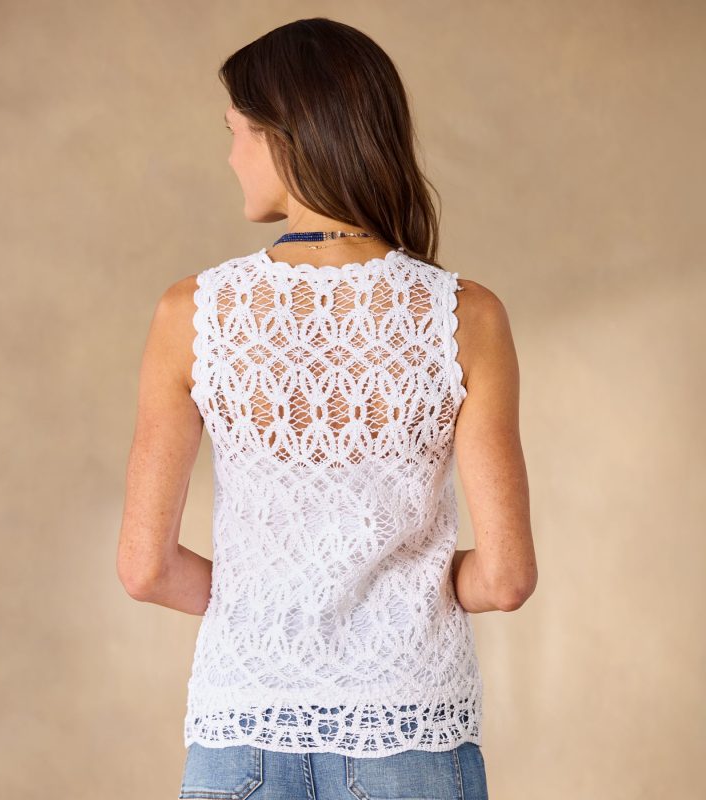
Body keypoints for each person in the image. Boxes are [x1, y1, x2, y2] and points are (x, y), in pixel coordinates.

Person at [117, 17, 537, 800]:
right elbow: (505, 579)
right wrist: (407, 596)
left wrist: (270, 604)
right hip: (410, 728)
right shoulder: (466, 317)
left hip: (243, 725)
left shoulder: (192, 314)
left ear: (285, 138)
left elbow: (145, 569)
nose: (230, 156)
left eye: (236, 132)